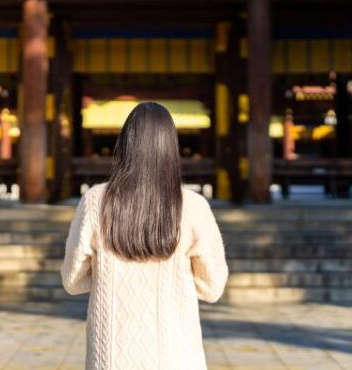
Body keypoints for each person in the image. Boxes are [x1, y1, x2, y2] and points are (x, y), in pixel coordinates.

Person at [61, 102, 228, 370]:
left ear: (125, 145)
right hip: (177, 356)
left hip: (111, 357)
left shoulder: (94, 201)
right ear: (170, 148)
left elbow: (72, 280)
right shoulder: (194, 206)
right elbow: (212, 287)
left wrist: (107, 271)